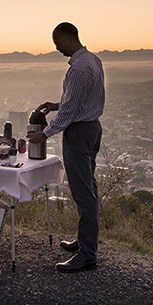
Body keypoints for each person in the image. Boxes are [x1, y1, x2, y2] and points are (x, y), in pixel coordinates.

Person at [33, 21, 105, 273]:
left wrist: (47, 134)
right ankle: (85, 242)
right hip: (92, 129)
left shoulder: (79, 69)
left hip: (79, 132)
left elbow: (73, 109)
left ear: (68, 37)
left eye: (58, 43)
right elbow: (80, 100)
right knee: (88, 187)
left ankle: (87, 255)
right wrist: (57, 104)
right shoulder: (93, 60)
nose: (57, 48)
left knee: (83, 192)